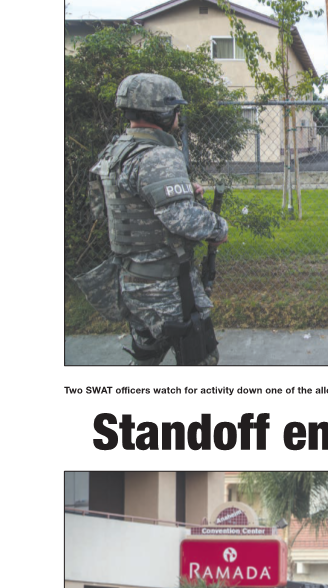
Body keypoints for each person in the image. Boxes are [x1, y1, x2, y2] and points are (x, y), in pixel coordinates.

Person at [79, 71, 228, 366]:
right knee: (202, 359)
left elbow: (104, 210)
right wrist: (219, 227)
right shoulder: (159, 155)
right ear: (161, 111)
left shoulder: (115, 152)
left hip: (131, 281)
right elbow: (183, 219)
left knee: (146, 358)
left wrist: (184, 192)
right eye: (176, 109)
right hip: (168, 287)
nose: (178, 116)